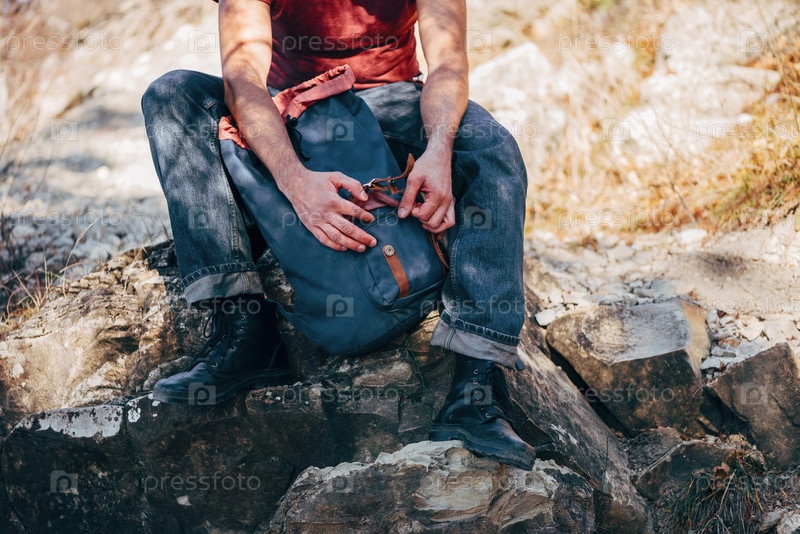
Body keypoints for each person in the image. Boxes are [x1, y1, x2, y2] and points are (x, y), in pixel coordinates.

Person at [141, 0, 536, 470]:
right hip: (285, 110)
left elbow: (448, 63)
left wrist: (438, 150)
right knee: (172, 94)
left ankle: (476, 388)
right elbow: (242, 78)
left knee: (491, 147)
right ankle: (245, 333)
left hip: (388, 102)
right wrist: (295, 182)